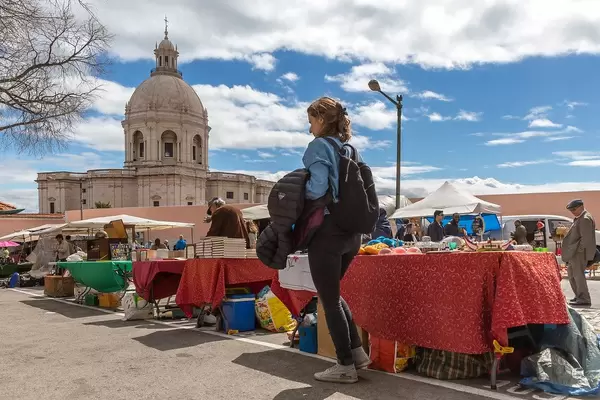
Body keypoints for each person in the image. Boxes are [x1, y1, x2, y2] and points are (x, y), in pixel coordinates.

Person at [302, 96, 368, 384]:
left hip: (328, 231)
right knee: (334, 294)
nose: (309, 128)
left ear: (321, 119)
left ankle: (344, 366)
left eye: (311, 122)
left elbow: (317, 189)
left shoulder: (319, 146)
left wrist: (295, 194)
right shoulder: (352, 149)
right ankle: (356, 353)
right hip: (352, 234)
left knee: (328, 298)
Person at [562, 199, 596, 306]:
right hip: (574, 252)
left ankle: (584, 298)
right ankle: (578, 296)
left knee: (578, 275)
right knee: (572, 275)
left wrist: (578, 251)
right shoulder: (579, 218)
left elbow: (585, 239)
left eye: (574, 209)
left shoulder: (585, 218)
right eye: (571, 210)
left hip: (579, 253)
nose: (572, 211)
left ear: (581, 206)